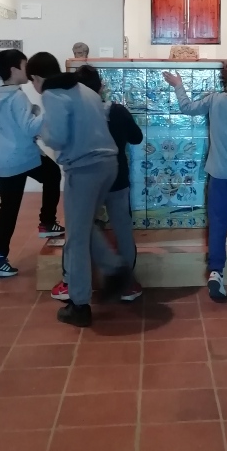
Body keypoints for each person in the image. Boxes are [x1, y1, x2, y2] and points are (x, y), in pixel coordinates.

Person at [25, 52, 122, 328]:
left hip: (84, 169)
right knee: (84, 226)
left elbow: (57, 137)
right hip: (108, 165)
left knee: (76, 238)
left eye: (33, 81)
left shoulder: (52, 94)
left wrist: (40, 130)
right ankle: (114, 269)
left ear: (37, 77)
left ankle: (79, 305)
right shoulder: (84, 90)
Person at [163, 58, 227, 302]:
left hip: (218, 176)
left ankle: (216, 272)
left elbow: (187, 107)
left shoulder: (214, 100)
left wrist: (178, 84)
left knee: (218, 224)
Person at [50, 65, 144, 304]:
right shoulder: (117, 111)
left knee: (79, 229)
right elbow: (137, 137)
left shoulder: (73, 110)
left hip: (85, 178)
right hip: (117, 177)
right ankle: (128, 283)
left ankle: (69, 281)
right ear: (101, 87)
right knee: (123, 228)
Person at [0, 49, 64, 279]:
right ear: (14, 69)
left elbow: (19, 122)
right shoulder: (17, 96)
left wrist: (33, 112)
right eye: (24, 65)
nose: (28, 70)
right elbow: (29, 127)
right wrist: (48, 111)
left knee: (8, 208)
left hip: (3, 158)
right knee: (52, 173)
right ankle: (47, 223)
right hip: (21, 157)